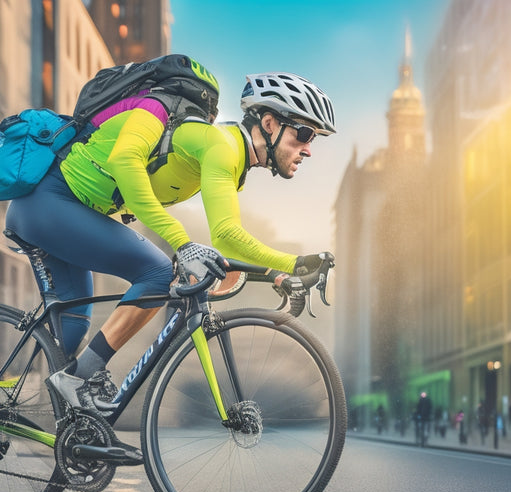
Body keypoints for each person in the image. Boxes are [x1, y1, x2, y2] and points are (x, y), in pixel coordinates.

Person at [5, 67, 336, 435]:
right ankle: (80, 381)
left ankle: (64, 439)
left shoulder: (228, 159)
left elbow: (226, 238)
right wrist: (185, 242)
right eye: (304, 134)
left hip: (68, 212)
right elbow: (124, 161)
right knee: (157, 273)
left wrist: (280, 273)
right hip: (48, 201)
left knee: (71, 331)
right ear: (270, 123)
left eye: (313, 138)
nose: (308, 148)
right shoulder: (214, 143)